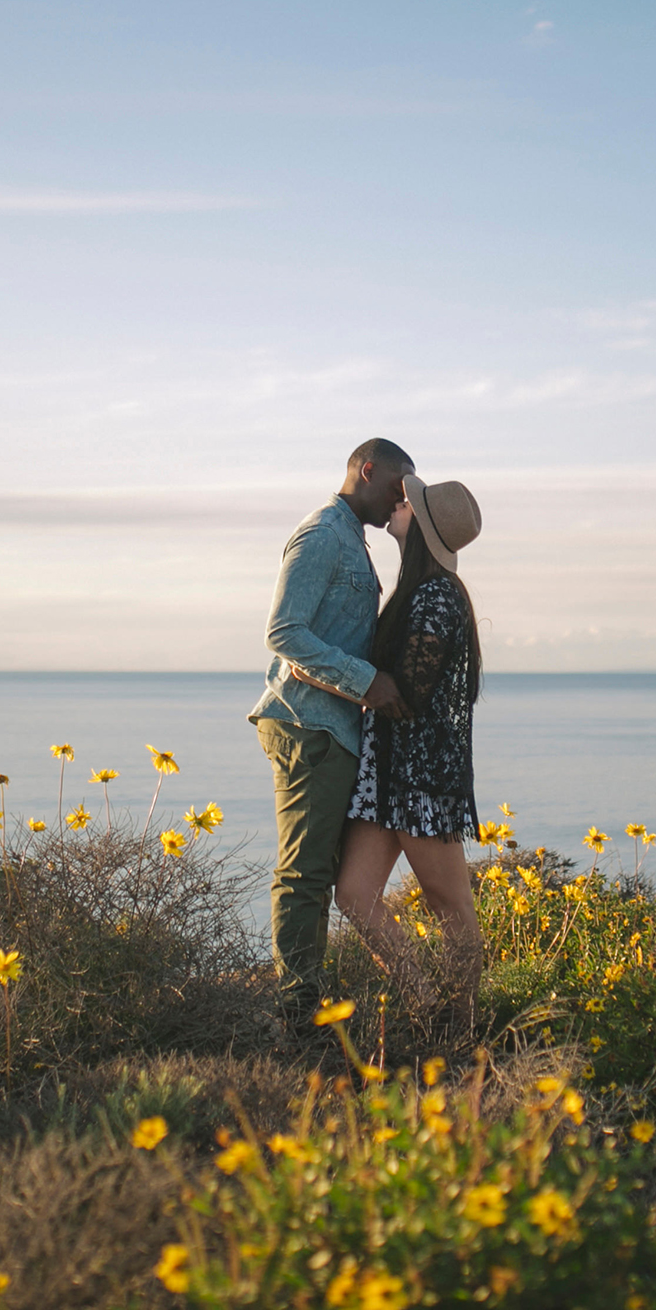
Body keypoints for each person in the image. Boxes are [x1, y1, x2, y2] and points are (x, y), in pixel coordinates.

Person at [249, 438, 413, 1034]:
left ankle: (307, 1003)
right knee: (304, 874)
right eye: (398, 485)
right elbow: (284, 632)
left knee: (318, 874)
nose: (402, 499)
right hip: (306, 724)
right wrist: (369, 682)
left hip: (331, 726)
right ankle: (296, 1017)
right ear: (366, 471)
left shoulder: (354, 540)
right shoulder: (322, 534)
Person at [330, 474, 485, 1015]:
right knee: (354, 894)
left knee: (451, 907)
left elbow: (411, 691)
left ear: (424, 527)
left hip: (422, 779)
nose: (400, 502)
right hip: (387, 772)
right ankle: (423, 1003)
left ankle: (462, 1022)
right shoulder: (416, 591)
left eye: (411, 503)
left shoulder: (439, 595)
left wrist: (347, 672)